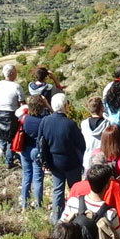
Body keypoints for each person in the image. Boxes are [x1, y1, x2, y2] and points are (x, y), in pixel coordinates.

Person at [39, 93, 86, 223]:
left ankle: (57, 219)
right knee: (75, 190)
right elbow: (81, 145)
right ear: (65, 106)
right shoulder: (70, 124)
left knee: (57, 191)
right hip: (71, 163)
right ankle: (76, 217)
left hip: (54, 163)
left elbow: (41, 142)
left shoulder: (45, 121)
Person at [19, 94, 50, 210]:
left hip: (25, 150)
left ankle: (24, 205)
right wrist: (47, 104)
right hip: (37, 151)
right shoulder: (44, 120)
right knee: (37, 179)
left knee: (26, 177)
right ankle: (38, 205)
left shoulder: (25, 118)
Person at [0, 64, 25, 168]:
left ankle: (5, 155)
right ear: (12, 74)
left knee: (2, 137)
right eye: (15, 71)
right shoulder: (17, 87)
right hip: (11, 116)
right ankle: (9, 162)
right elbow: (22, 104)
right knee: (12, 139)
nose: (17, 73)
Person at [81, 97, 110, 171]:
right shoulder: (107, 124)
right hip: (103, 160)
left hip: (88, 161)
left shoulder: (84, 124)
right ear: (102, 108)